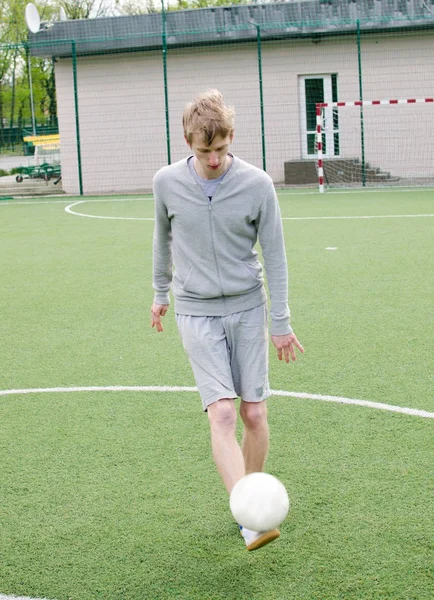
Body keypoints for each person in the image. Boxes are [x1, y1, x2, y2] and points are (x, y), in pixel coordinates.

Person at [151, 89, 304, 551]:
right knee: (221, 411)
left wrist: (280, 321)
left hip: (246, 307)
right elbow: (162, 241)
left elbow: (274, 256)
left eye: (220, 149)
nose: (214, 159)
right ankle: (252, 518)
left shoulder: (257, 184)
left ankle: (251, 506)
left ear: (231, 139)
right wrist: (160, 293)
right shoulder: (166, 182)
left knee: (253, 413)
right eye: (204, 150)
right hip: (196, 310)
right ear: (187, 141)